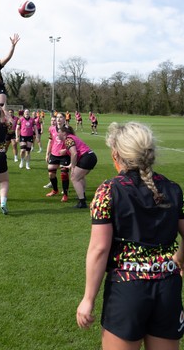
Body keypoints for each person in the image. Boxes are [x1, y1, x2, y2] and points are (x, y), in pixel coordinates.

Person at [76, 121, 184, 350]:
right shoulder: (173, 188)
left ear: (116, 154)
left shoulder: (109, 190)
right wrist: (177, 259)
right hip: (168, 289)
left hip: (127, 290)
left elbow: (99, 249)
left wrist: (88, 299)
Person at [58, 126, 97, 208]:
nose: (58, 134)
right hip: (90, 156)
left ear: (64, 133)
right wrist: (70, 165)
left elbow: (74, 153)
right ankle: (82, 196)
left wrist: (72, 167)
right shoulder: (72, 138)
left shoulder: (68, 140)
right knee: (80, 177)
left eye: (59, 132)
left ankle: (82, 202)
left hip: (86, 157)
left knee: (74, 178)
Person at [45, 112, 70, 202]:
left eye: (61, 117)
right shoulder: (52, 129)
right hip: (54, 154)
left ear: (64, 119)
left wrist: (66, 150)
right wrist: (47, 153)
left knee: (64, 174)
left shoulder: (68, 129)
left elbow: (73, 142)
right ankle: (55, 190)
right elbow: (50, 141)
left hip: (65, 155)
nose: (58, 119)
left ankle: (65, 194)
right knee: (51, 173)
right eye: (57, 117)